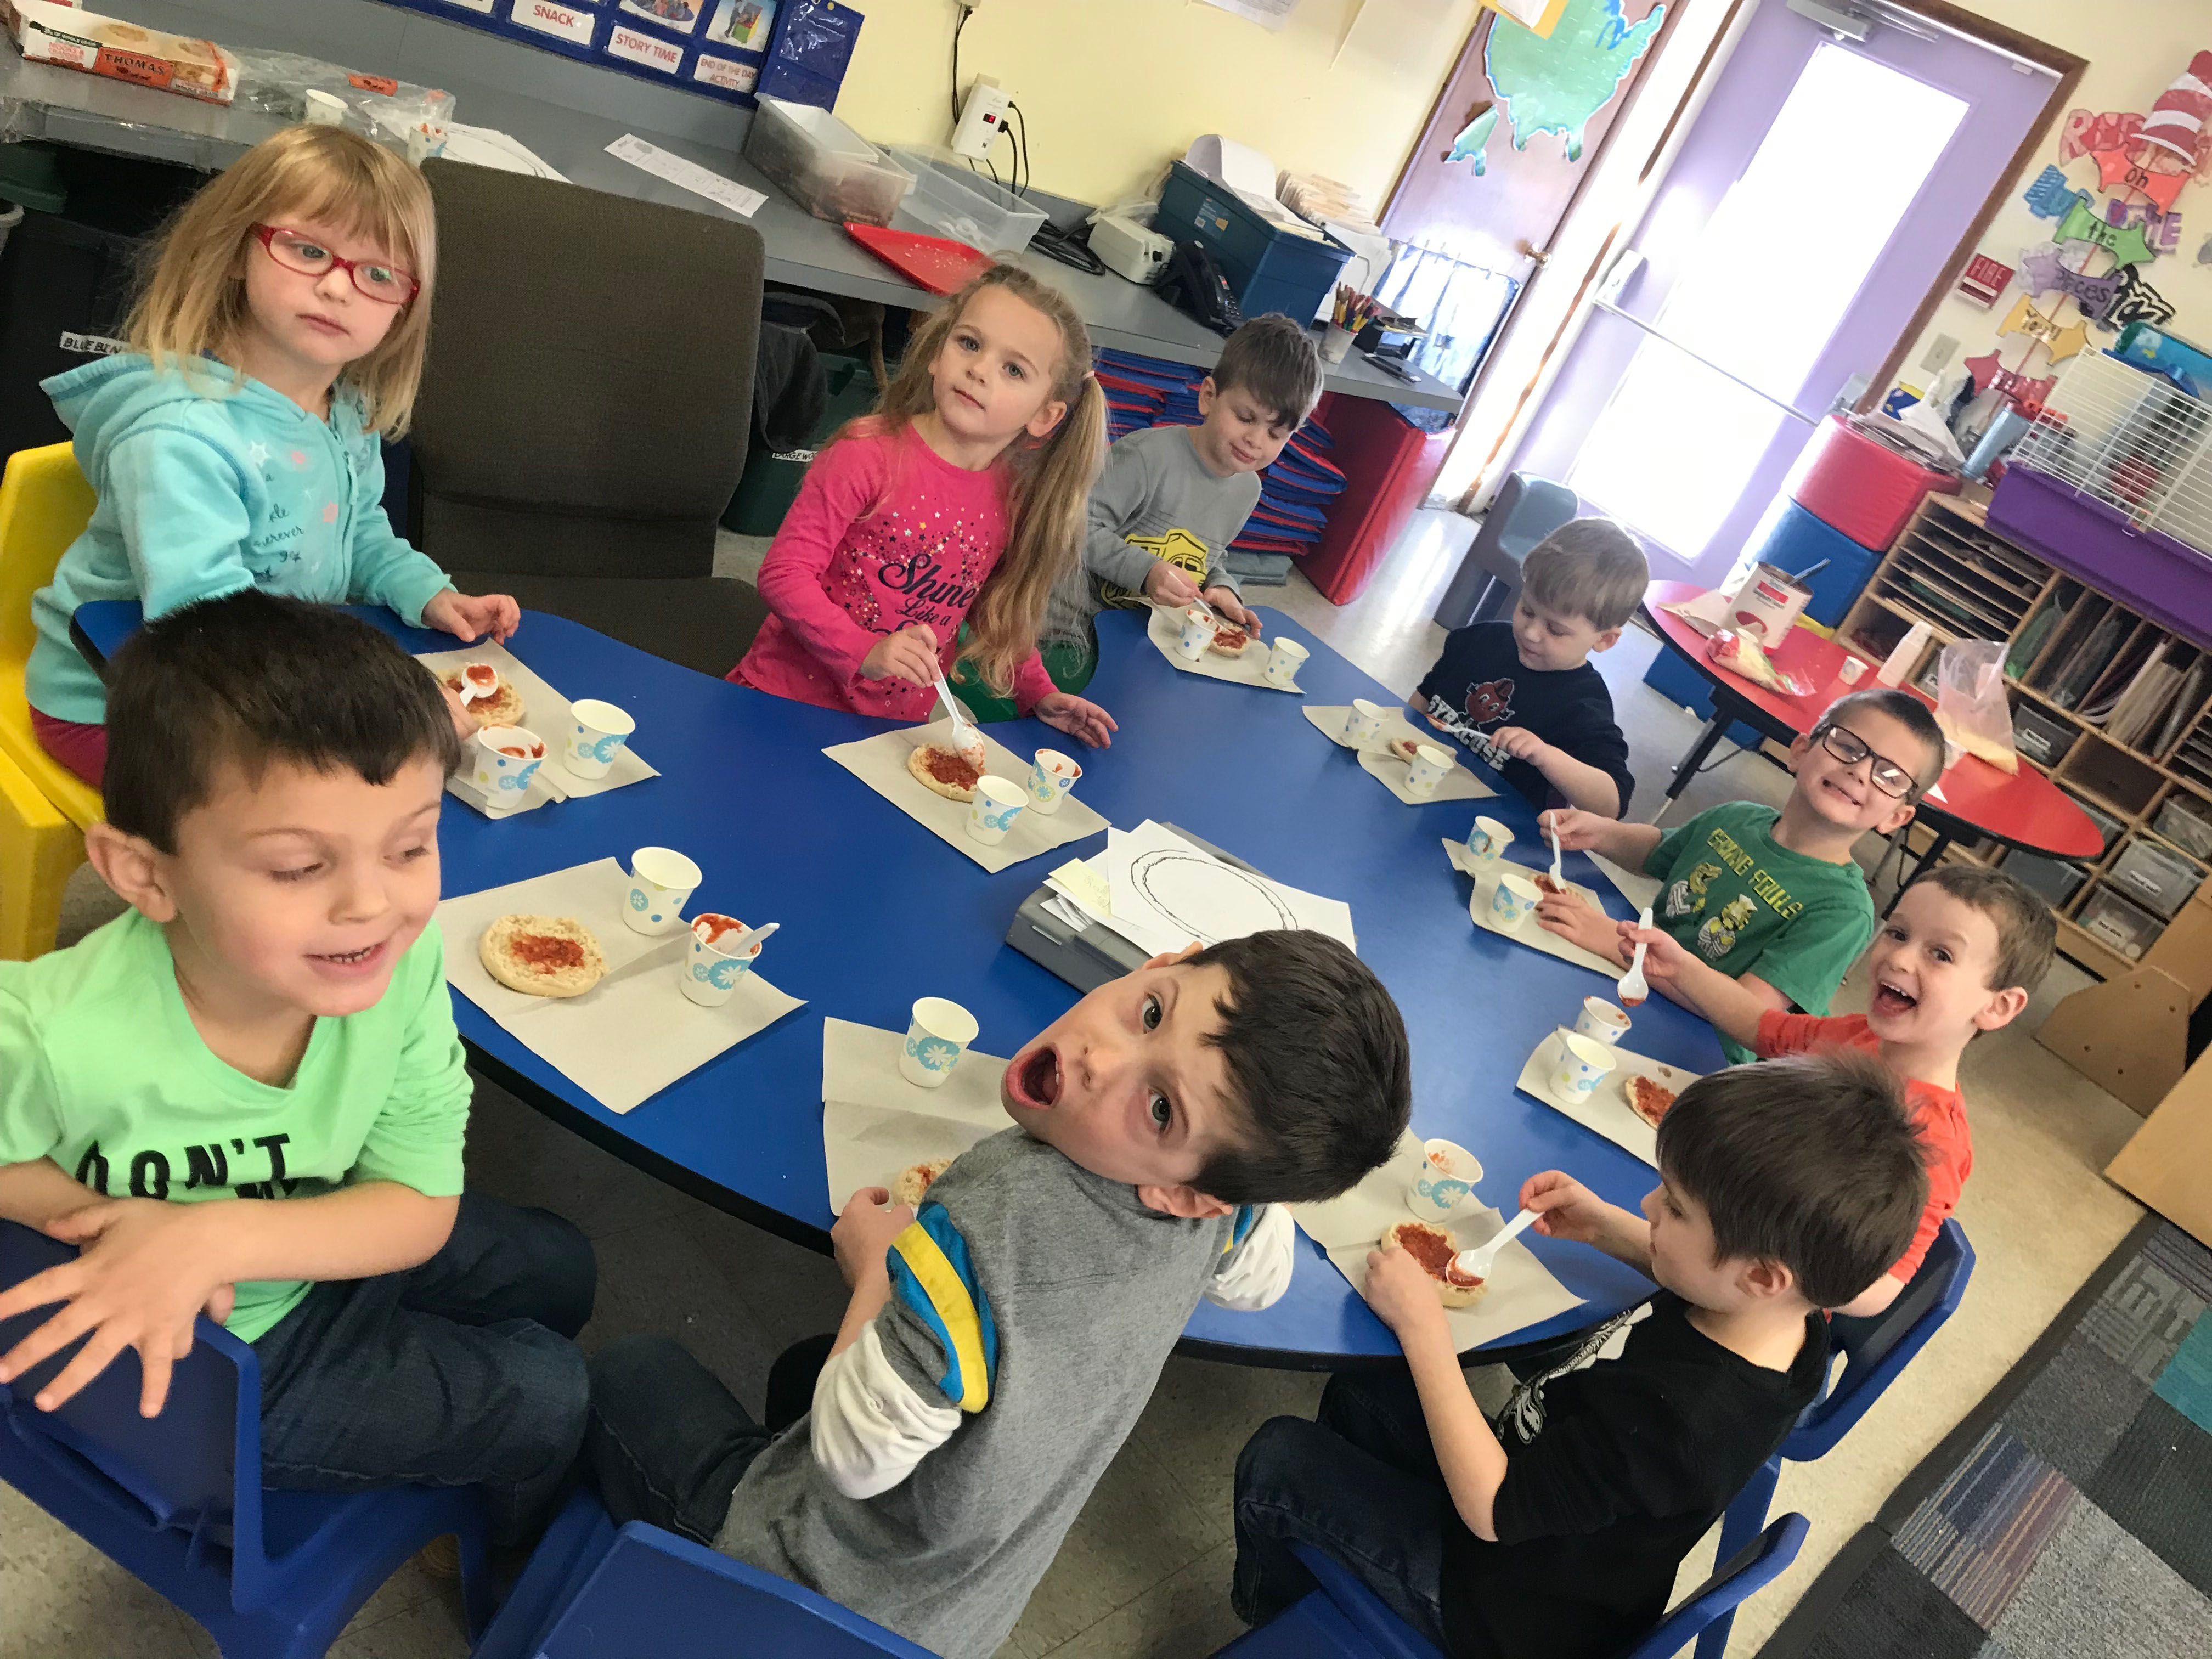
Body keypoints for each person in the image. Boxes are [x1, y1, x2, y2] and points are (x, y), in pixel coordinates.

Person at [585, 932, 1413, 1658]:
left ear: (1192, 1196)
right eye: (1151, 1012)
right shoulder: (1220, 1210)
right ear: (1165, 962)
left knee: (632, 1374)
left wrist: (880, 1263)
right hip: (959, 1617)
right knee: (807, 1370)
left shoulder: (985, 1235)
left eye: (1159, 1108)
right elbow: (1260, 1281)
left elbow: (850, 1455)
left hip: (811, 1603)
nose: (1101, 1060)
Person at [0, 591, 591, 1547]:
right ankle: (507, 1562)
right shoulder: (49, 1028)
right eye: (296, 867)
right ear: (146, 873)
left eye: (411, 844)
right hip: (215, 1363)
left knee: (560, 1263)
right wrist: (100, 1222)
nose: (373, 904)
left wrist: (208, 1237)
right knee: (551, 1395)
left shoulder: (402, 960)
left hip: (294, 1240)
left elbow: (415, 1201)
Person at [1231, 1051, 1927, 1659]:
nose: (1651, 1203)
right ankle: (1335, 1563)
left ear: (1762, 1276)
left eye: (1676, 1209)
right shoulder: (1786, 1327)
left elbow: (1493, 1508)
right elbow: (1702, 1281)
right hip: (1548, 1532)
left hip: (1502, 1608)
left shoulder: (1677, 1422)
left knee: (1277, 1462)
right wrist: (1607, 1230)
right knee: (1361, 1393)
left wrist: (1425, 1331)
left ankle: (1279, 1614)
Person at [24, 125, 518, 789]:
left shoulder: (344, 415)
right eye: (307, 250)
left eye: (378, 274)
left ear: (404, 309)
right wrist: (376, 708)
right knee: (320, 805)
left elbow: (360, 531)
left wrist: (426, 593)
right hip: (117, 702)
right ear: (236, 251)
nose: (339, 289)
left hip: (259, 671)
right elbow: (209, 626)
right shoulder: (180, 437)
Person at [1622, 862, 2053, 1316]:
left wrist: (1759, 1263)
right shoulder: (1856, 1035)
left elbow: (1880, 1288)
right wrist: (1683, 968)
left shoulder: (1933, 1141)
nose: (1900, 959)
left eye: (1941, 955)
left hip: (1748, 1301)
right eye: (1899, 933)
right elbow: (1761, 1027)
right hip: (1710, 1210)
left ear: (1999, 1006)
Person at [727, 264, 1117, 749]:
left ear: (1045, 415)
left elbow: (997, 613)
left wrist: (1040, 693)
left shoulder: (1011, 499)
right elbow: (783, 573)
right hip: (780, 703)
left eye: (1013, 369)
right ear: (937, 353)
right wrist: (864, 650)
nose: (978, 369)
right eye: (970, 344)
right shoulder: (864, 454)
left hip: (888, 734)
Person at [1536, 687, 1948, 1062]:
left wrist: (1613, 942)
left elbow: (1749, 1012)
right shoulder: (1737, 818)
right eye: (1848, 746)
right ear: (1801, 750)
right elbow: (1657, 853)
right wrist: (1601, 832)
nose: (1860, 772)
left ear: (1898, 816)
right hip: (1627, 985)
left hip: (1698, 1049)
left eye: (1890, 776)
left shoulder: (1843, 910)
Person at [1035, 312, 1324, 695]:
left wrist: (1221, 587)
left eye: (1275, 433)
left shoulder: (1247, 490)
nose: (1256, 440)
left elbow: (1211, 553)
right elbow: (1074, 528)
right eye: (1245, 417)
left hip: (1141, 639)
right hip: (1064, 635)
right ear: (1208, 397)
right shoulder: (1146, 458)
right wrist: (1147, 571)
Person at [1410, 520, 1645, 816]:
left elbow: (1612, 805)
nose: (1531, 633)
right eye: (1527, 610)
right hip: (1413, 787)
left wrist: (1546, 755)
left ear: (1605, 640)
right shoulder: (1478, 640)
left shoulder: (1585, 705)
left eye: (1556, 630)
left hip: (1486, 831)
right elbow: (1421, 701)